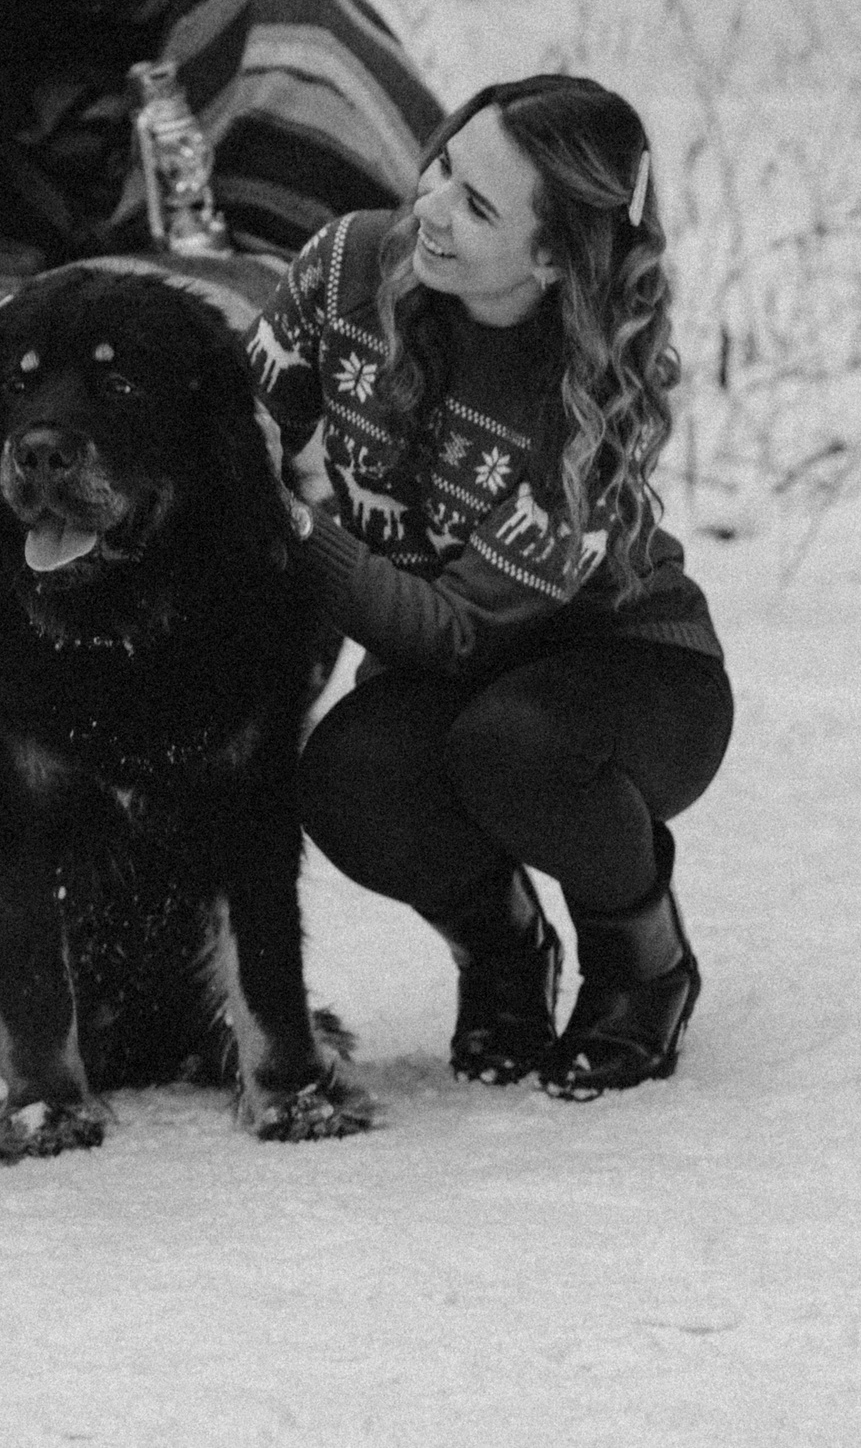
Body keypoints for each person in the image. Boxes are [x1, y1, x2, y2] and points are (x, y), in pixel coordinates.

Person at [245, 73, 730, 1099]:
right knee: (343, 777)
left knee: (514, 742)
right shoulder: (344, 268)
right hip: (455, 670)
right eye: (442, 168)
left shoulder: (581, 407)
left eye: (475, 207)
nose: (429, 209)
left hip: (629, 676)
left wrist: (292, 527)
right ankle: (504, 954)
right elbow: (241, 434)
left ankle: (642, 962)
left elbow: (455, 630)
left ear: (554, 257)